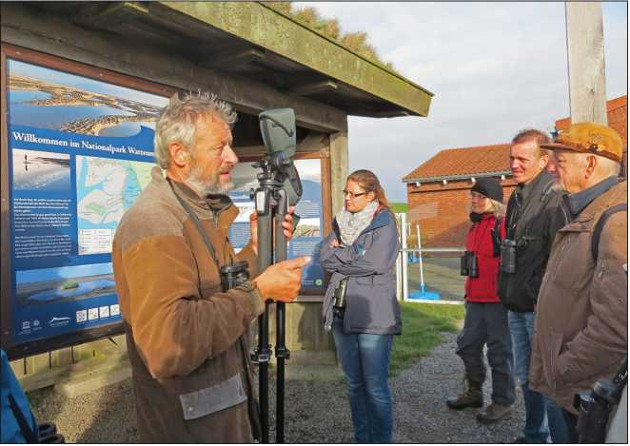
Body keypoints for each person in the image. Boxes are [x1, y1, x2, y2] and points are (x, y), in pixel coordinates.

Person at [112, 92, 310, 443]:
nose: (233, 157)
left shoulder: (199, 212)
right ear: (180, 154)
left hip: (219, 423)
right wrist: (261, 291)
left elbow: (221, 289)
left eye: (230, 146)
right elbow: (168, 345)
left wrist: (254, 249)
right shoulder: (155, 224)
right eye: (220, 148)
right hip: (190, 431)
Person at [529, 122, 627, 443]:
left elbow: (616, 328)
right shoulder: (583, 211)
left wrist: (560, 369)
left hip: (581, 391)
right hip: (569, 388)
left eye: (561, 159)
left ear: (589, 163)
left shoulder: (616, 222)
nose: (553, 167)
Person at [319, 169, 401, 443]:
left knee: (375, 387)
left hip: (372, 316)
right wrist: (349, 254)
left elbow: (375, 264)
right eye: (346, 192)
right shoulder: (340, 221)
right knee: (354, 385)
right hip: (342, 313)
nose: (348, 199)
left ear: (371, 196)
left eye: (354, 194)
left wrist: (341, 252)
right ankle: (362, 439)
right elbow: (324, 256)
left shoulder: (385, 223)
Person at [497, 129, 568, 442]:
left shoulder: (555, 198)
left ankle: (551, 436)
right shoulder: (515, 196)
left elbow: (561, 257)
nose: (514, 164)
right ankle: (534, 433)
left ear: (544, 160)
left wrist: (544, 301)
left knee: (546, 380)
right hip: (516, 304)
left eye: (522, 158)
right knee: (526, 377)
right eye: (512, 157)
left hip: (539, 308)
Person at [446, 178, 516, 424]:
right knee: (467, 345)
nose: (474, 200)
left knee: (500, 352)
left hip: (498, 300)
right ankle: (474, 393)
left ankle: (503, 402)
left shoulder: (503, 224)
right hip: (475, 299)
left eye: (479, 196)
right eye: (472, 195)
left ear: (494, 200)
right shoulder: (475, 225)